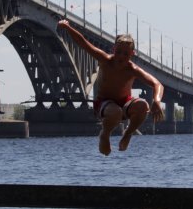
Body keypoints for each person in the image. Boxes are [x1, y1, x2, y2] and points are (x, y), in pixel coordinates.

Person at [57, 19, 165, 155]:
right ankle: (105, 134)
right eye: (118, 52)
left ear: (132, 54)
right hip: (104, 104)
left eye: (126, 54)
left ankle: (128, 134)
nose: (121, 57)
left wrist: (156, 100)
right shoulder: (105, 60)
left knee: (143, 105)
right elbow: (84, 44)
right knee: (115, 112)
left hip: (125, 103)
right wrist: (67, 27)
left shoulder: (133, 69)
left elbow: (157, 84)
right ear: (114, 50)